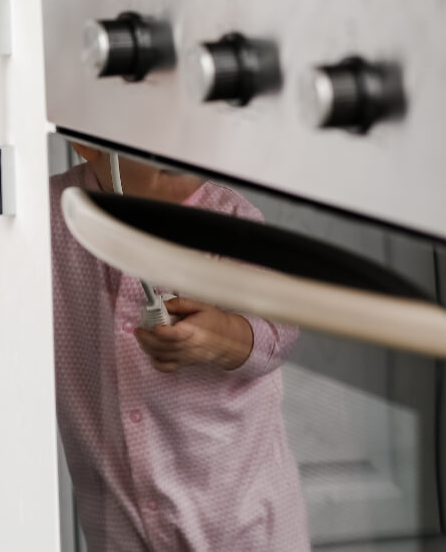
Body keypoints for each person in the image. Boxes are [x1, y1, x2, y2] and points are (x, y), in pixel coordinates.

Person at [51, 144, 308, 551]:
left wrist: (224, 336)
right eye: (155, 128)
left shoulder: (230, 223)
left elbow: (282, 327)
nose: (180, 144)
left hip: (238, 522)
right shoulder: (52, 217)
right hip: (118, 519)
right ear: (88, 143)